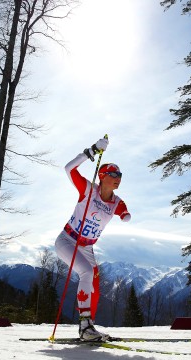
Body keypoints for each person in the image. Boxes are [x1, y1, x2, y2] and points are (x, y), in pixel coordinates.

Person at [55, 137, 131, 341]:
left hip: (87, 247)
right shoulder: (88, 190)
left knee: (95, 285)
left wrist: (125, 215)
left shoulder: (116, 202)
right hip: (67, 240)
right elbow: (69, 169)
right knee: (86, 272)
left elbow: (122, 209)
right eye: (113, 173)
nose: (118, 177)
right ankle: (84, 327)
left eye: (120, 174)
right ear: (103, 176)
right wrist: (92, 151)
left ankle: (89, 326)